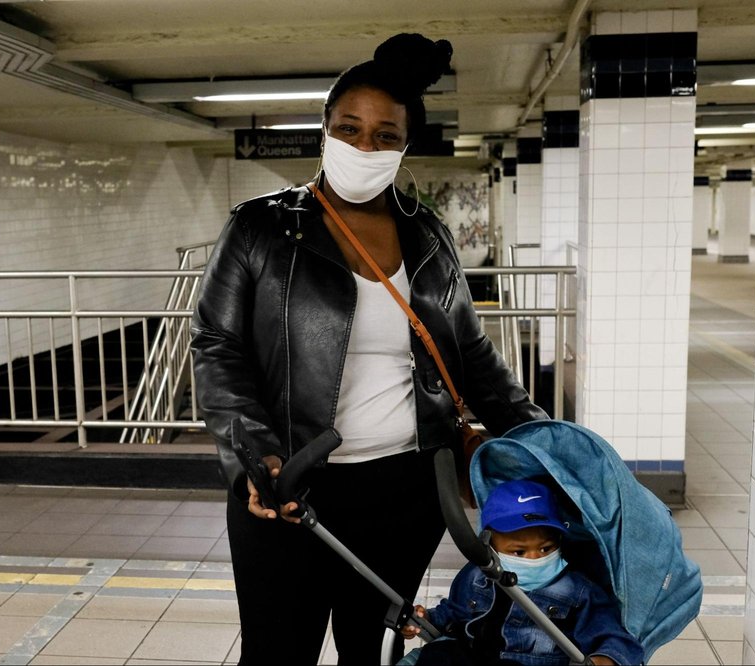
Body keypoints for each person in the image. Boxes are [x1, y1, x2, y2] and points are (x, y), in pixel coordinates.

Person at [190, 32, 547, 665]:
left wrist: (545, 438)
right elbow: (217, 344)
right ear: (323, 132)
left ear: (405, 147)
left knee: (372, 652)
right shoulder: (260, 228)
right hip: (288, 490)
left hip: (404, 492)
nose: (364, 145)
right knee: (277, 652)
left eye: (384, 136)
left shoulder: (428, 236)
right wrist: (255, 452)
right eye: (349, 128)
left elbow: (470, 352)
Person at [400, 479, 644, 666]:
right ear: (490, 546)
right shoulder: (475, 576)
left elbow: (613, 636)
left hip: (528, 661)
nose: (535, 558)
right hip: (474, 653)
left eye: (546, 548)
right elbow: (454, 613)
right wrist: (427, 619)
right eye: (519, 552)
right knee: (438, 654)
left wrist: (606, 658)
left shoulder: (577, 590)